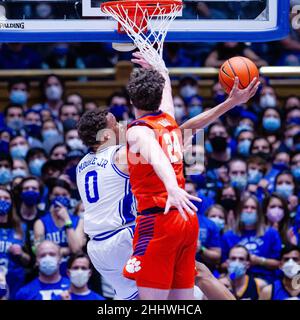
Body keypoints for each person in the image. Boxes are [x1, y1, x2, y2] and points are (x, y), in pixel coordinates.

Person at [76, 51, 259, 300]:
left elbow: (172, 129)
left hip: (97, 247)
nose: (121, 125)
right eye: (115, 124)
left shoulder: (82, 165)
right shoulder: (121, 154)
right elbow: (169, 137)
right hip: (126, 235)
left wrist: (163, 75)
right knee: (193, 280)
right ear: (105, 135)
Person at [221, 195, 282, 283]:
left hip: (265, 278)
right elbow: (222, 264)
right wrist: (235, 263)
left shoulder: (271, 233)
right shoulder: (228, 235)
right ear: (240, 211)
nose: (249, 211)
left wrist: (260, 261)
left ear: (259, 212)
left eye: (253, 208)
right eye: (245, 207)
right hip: (235, 278)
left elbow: (279, 264)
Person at [33, 179, 85, 275]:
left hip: (73, 272)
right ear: (50, 196)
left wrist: (66, 220)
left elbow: (76, 250)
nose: (60, 198)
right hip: (49, 271)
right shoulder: (40, 223)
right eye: (56, 195)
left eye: (64, 195)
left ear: (70, 197)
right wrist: (65, 250)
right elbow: (38, 250)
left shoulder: (79, 221)